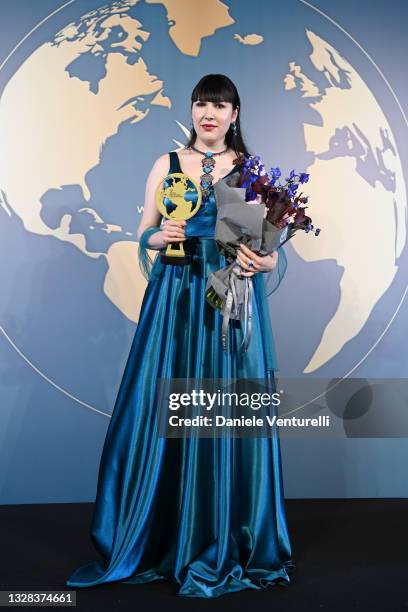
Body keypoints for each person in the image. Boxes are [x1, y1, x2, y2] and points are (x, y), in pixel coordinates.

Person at [66, 74, 294, 598]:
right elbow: (144, 230)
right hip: (178, 298)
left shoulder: (250, 171)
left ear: (235, 113)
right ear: (191, 110)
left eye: (219, 104)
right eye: (201, 103)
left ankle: (226, 535)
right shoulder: (166, 165)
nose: (208, 112)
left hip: (229, 296)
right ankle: (164, 532)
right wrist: (159, 234)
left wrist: (265, 256)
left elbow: (267, 246)